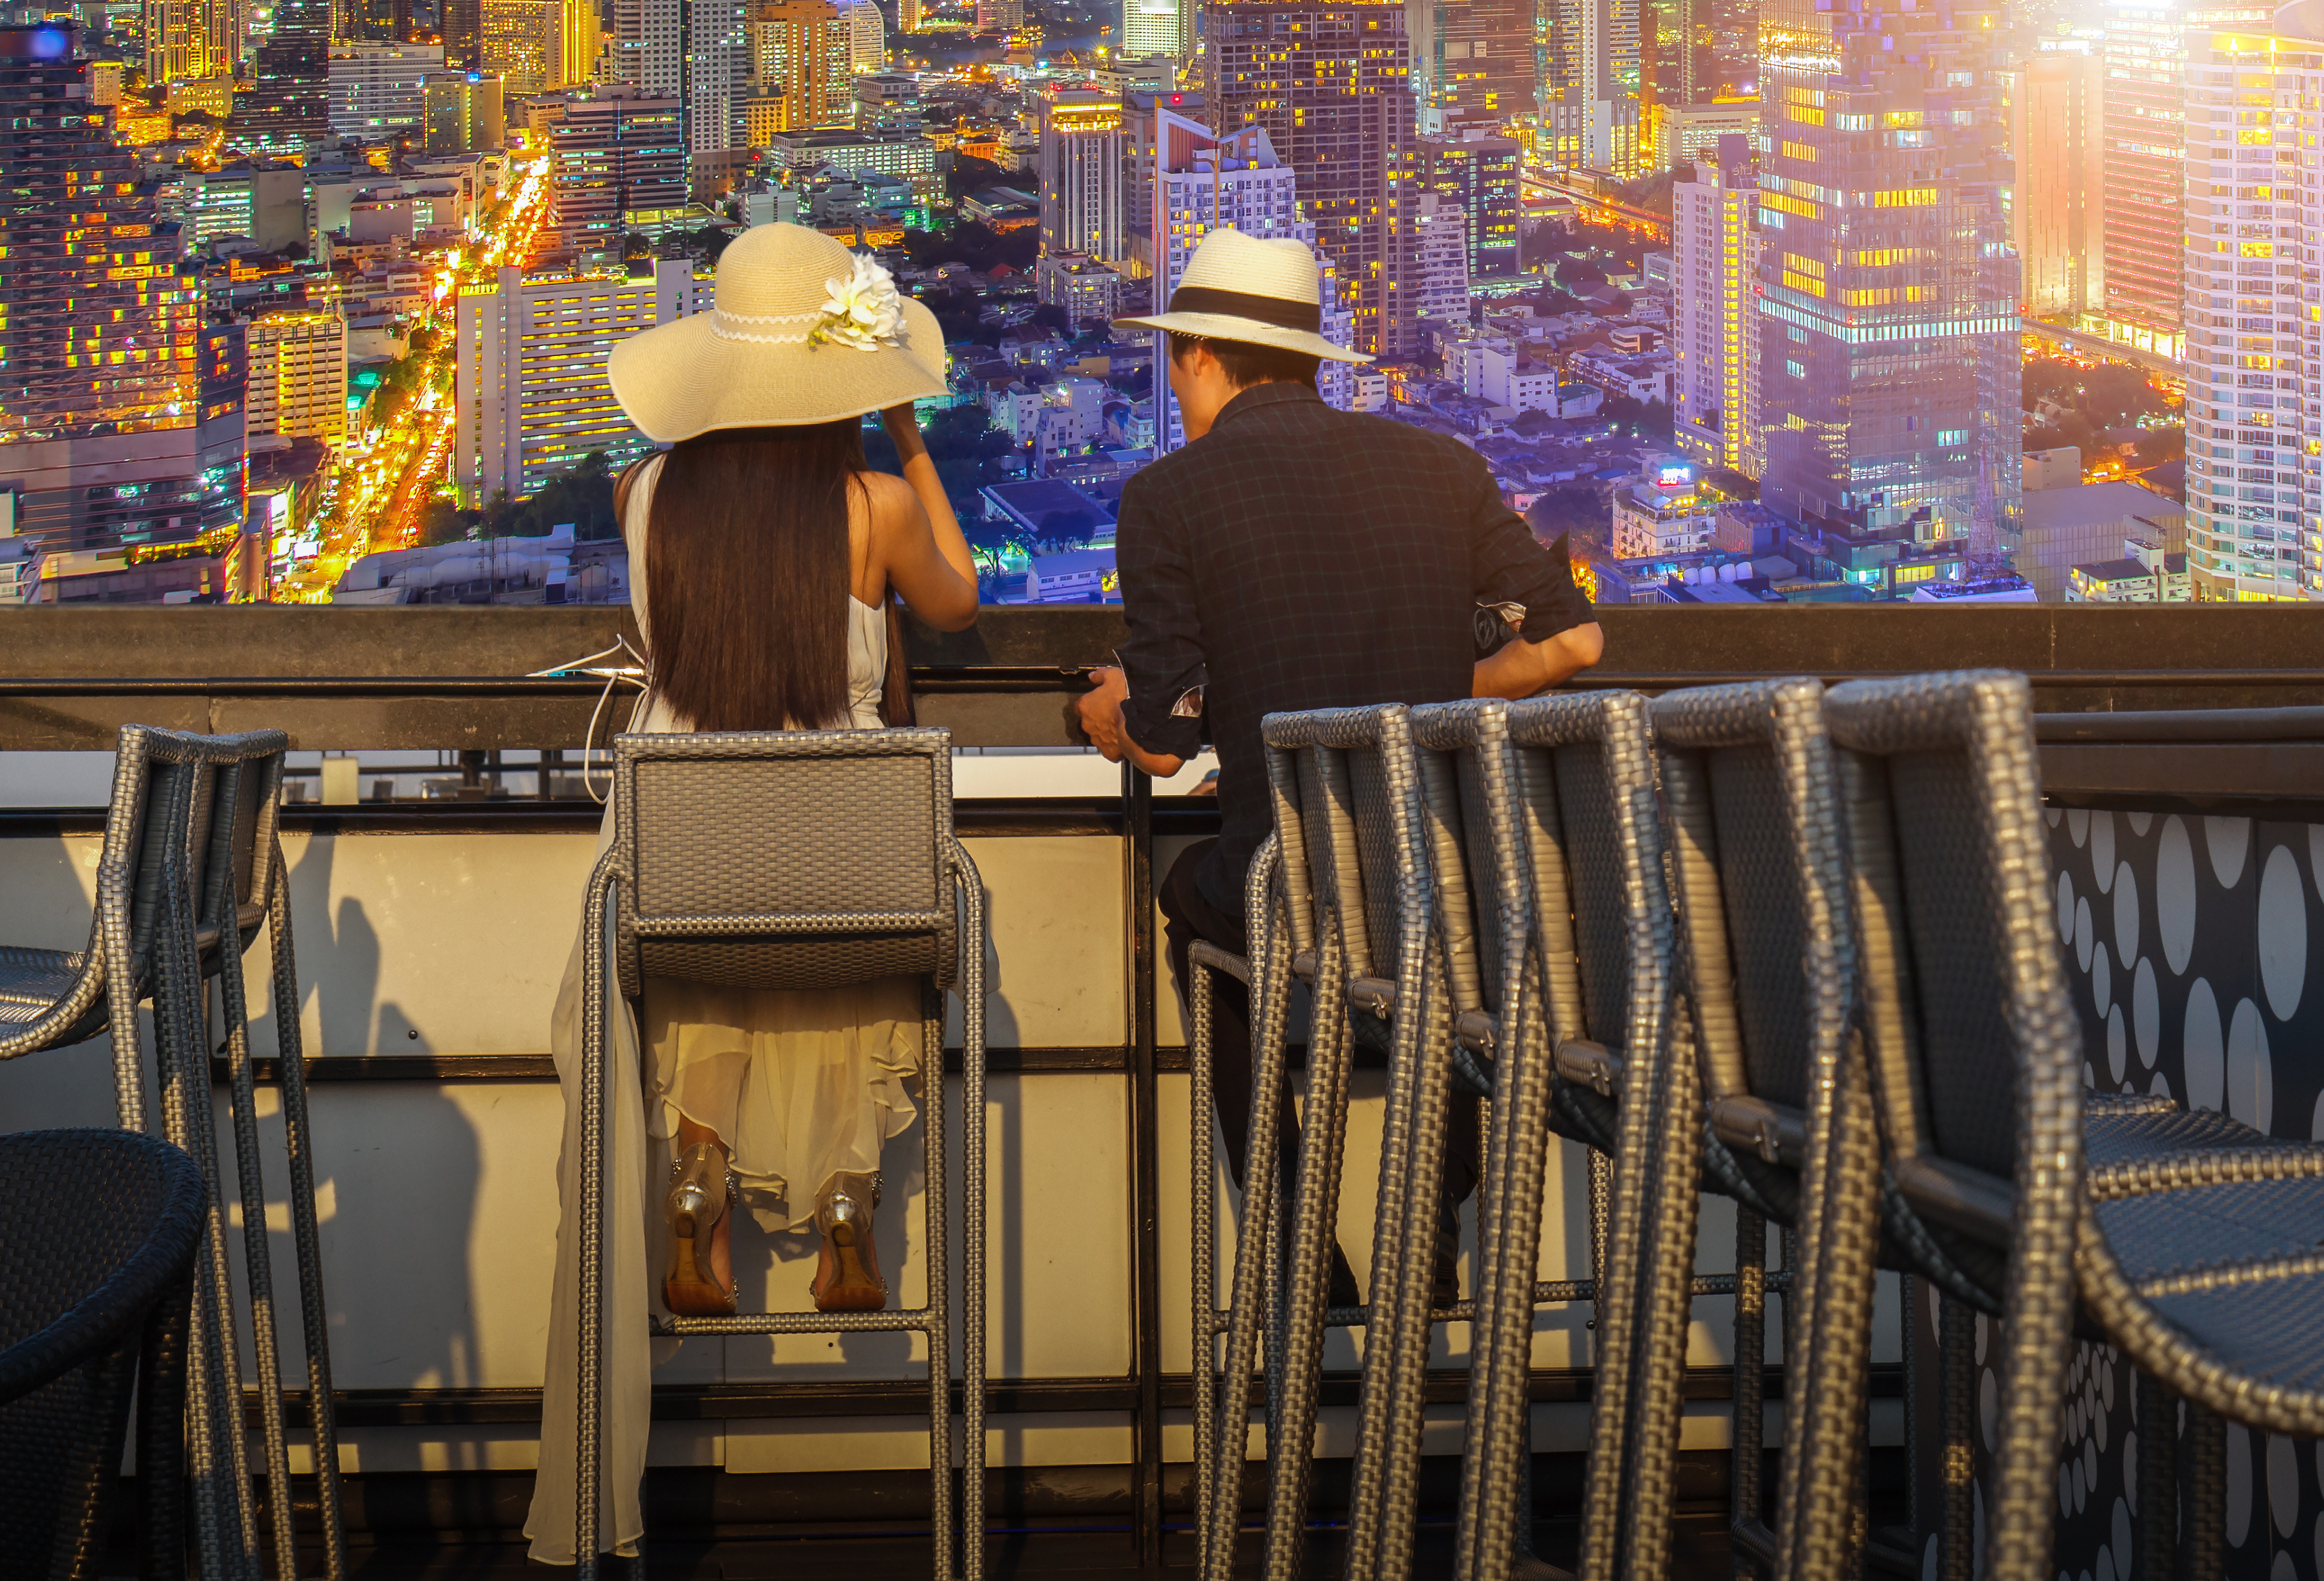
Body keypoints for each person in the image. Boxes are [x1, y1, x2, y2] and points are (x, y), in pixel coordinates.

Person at [527, 223, 983, 1567]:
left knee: (723, 931)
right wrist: (904, 439)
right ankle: (846, 1194)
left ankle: (695, 1172)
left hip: (676, 871)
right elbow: (951, 606)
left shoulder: (643, 495)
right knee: (849, 912)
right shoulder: (874, 511)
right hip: (847, 876)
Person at [1076, 229, 1603, 1295]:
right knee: (1441, 937)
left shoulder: (1169, 498)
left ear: (1205, 359)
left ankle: (1293, 1233)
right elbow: (1574, 640)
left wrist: (1110, 713)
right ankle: (1437, 1215)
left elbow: (1171, 741)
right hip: (1441, 873)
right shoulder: (1439, 466)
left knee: (1198, 910)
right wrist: (1435, 686)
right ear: (1313, 362)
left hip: (1293, 885)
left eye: (1178, 360)